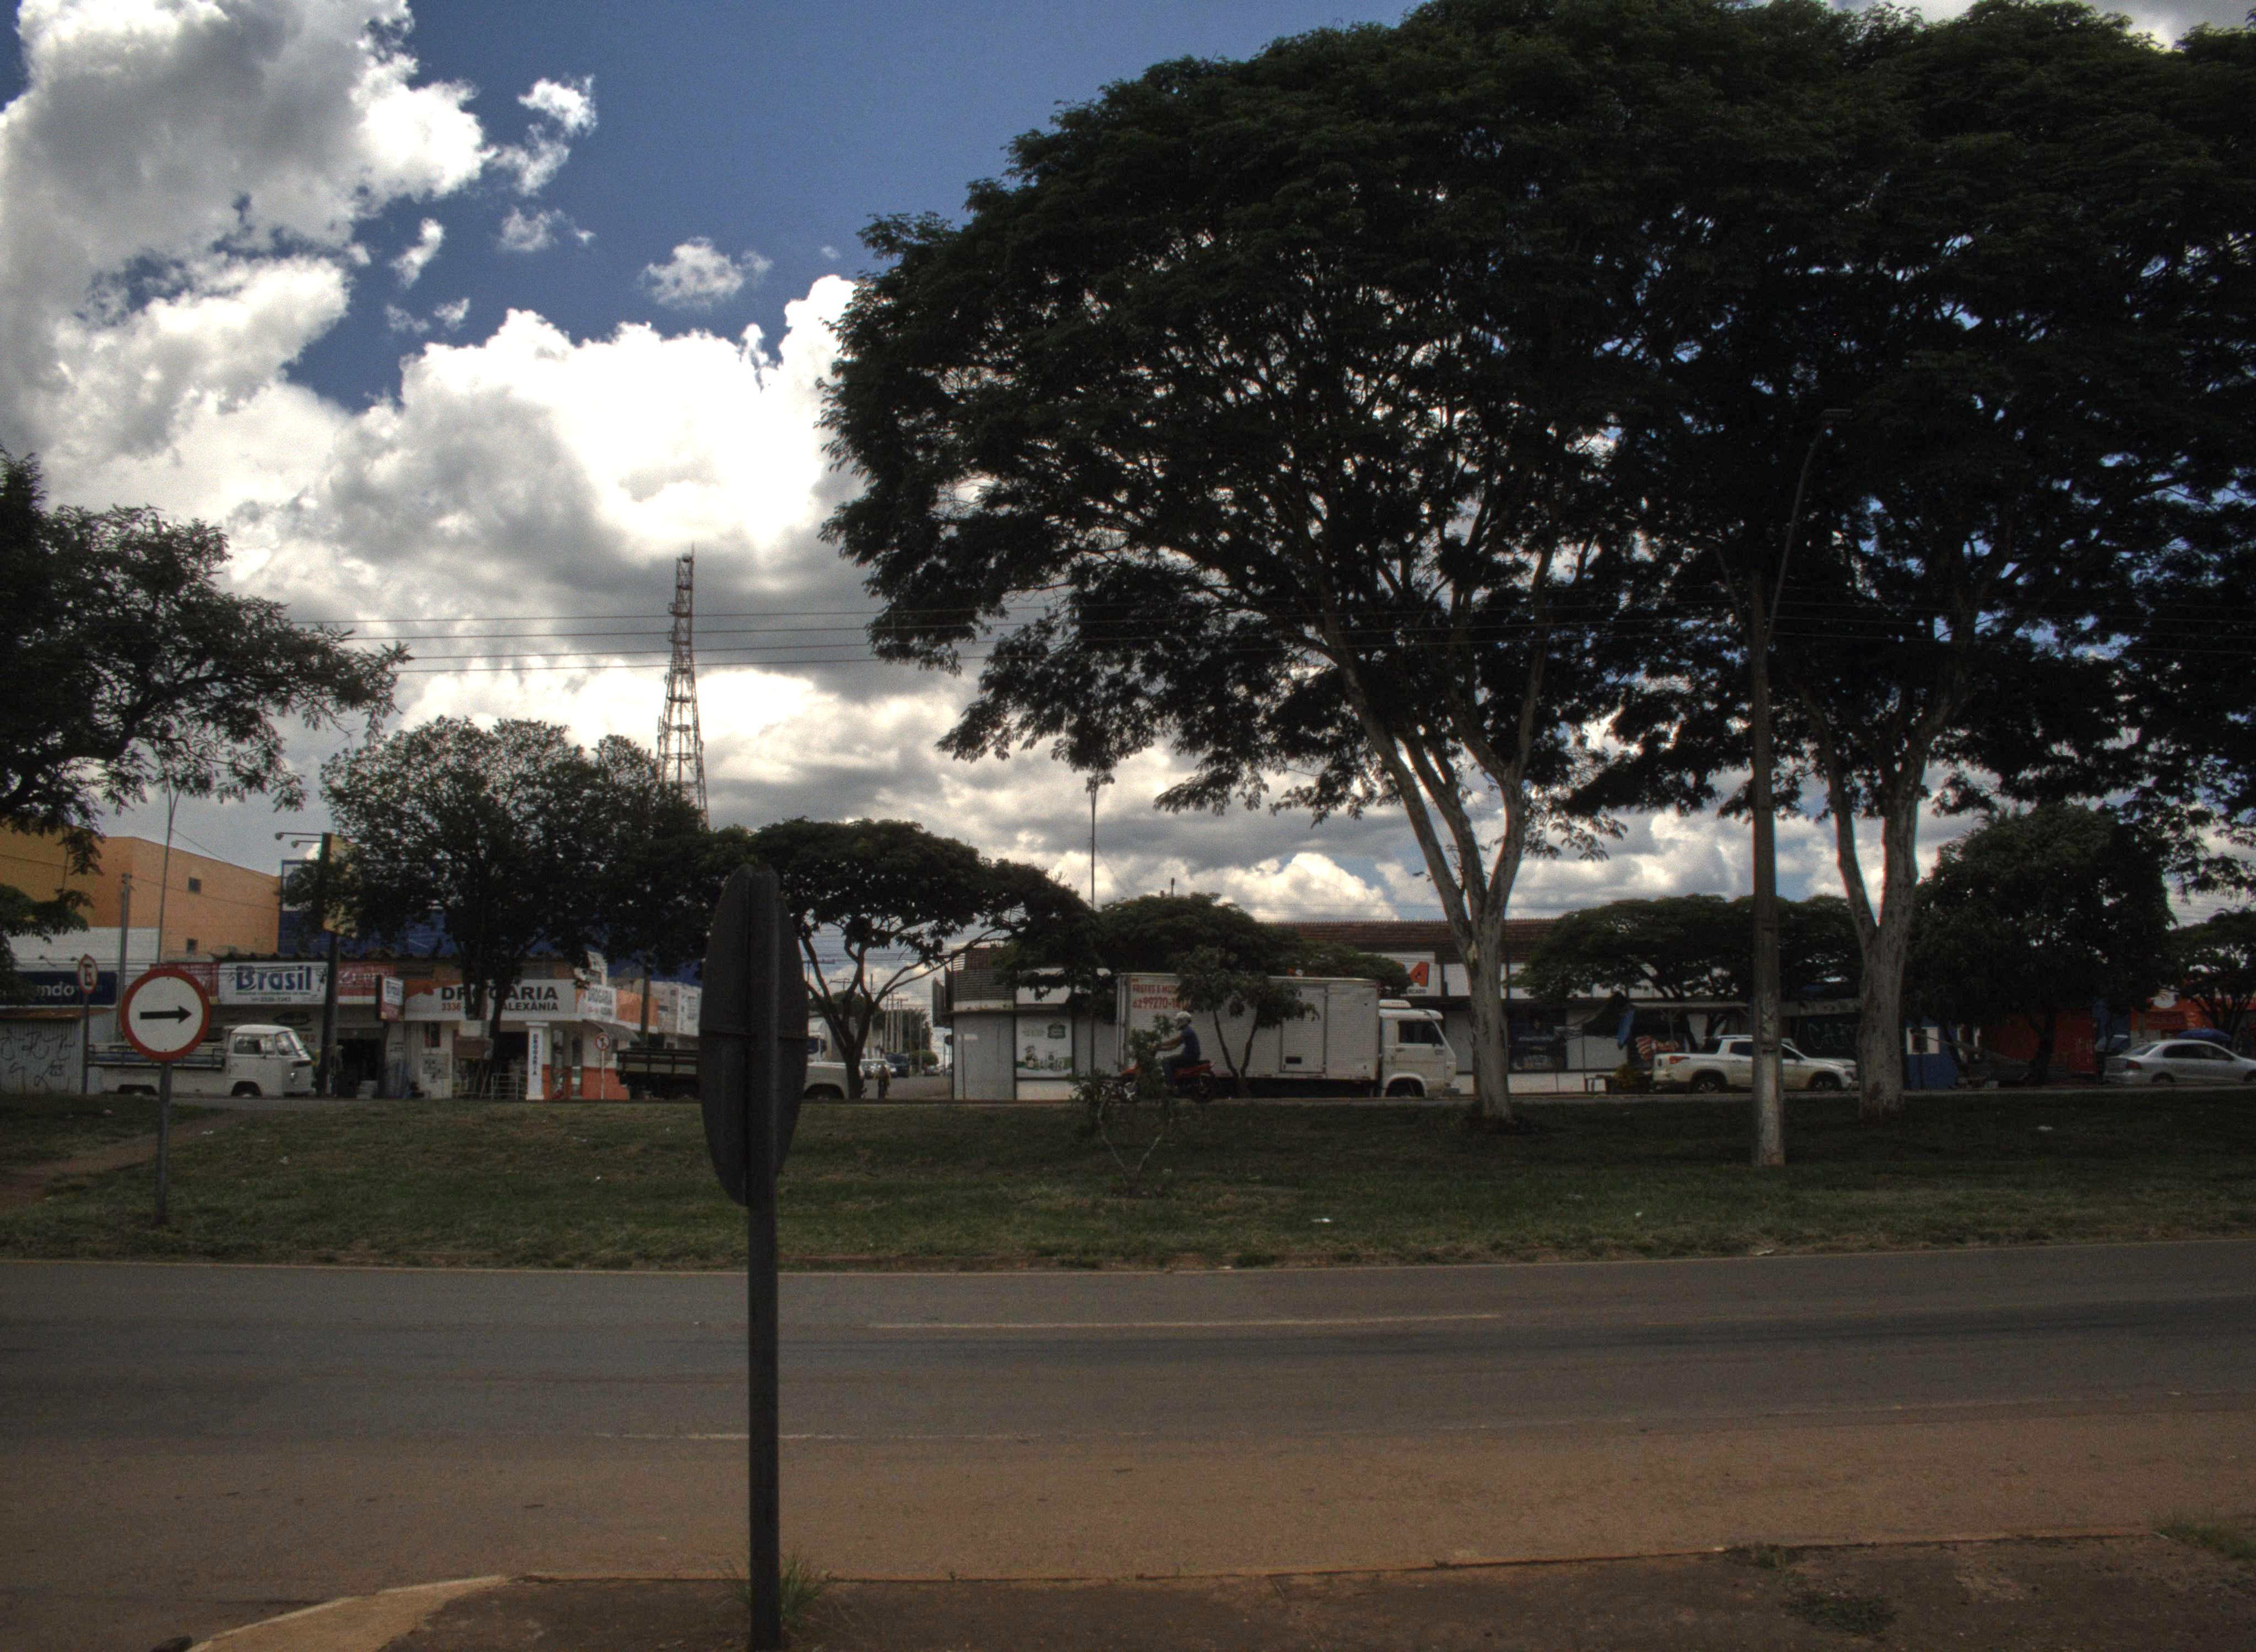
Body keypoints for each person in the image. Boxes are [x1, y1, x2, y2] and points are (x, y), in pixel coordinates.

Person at [1157, 1010, 1201, 1085]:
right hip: (1190, 1056)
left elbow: (1173, 1041)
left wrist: (1159, 1044)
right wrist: (1159, 1049)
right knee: (1171, 1062)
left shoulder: (1187, 1031)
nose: (1177, 1023)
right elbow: (1174, 1047)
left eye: (1178, 1021)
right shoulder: (1187, 1031)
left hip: (1189, 1056)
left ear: (1183, 1021)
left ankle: (1171, 1086)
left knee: (1166, 1061)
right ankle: (1177, 1083)